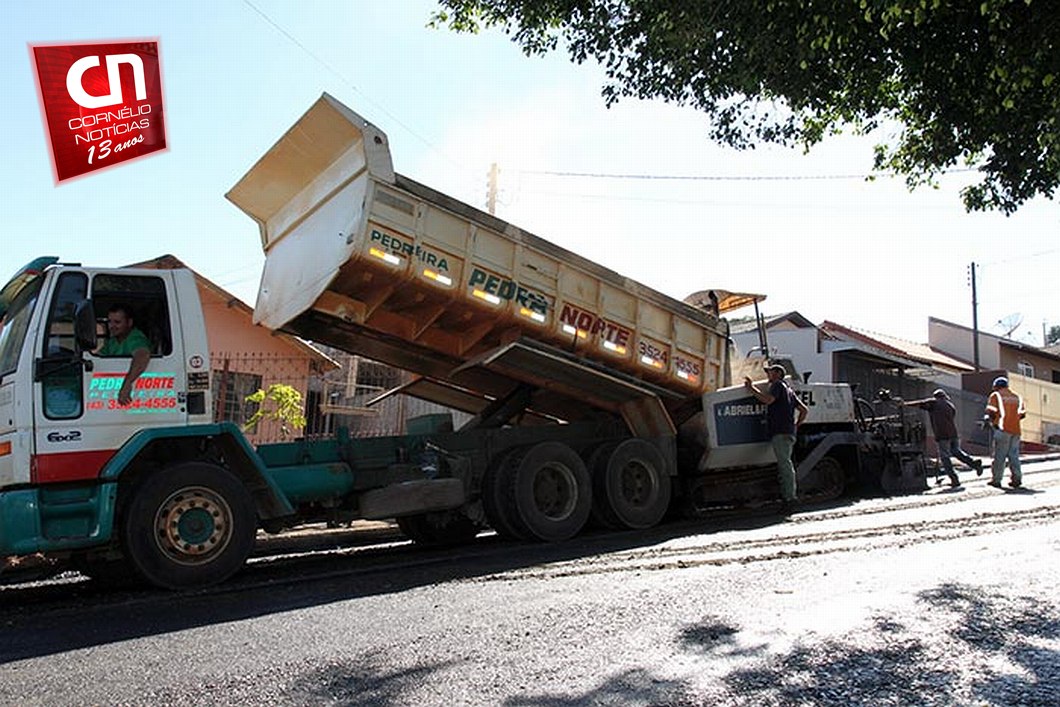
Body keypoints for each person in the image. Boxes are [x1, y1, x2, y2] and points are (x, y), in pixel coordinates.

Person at [744, 363, 809, 509]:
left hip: (780, 432)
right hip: (788, 432)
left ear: (778, 374)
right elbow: (804, 410)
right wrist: (796, 425)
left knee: (785, 464)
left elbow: (768, 400)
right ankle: (790, 496)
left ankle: (790, 498)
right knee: (785, 463)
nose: (768, 375)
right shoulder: (789, 390)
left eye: (770, 372)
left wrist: (751, 388)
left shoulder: (778, 385)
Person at [902, 389, 983, 487]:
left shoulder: (934, 403)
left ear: (936, 397)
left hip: (942, 435)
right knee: (956, 452)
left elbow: (920, 404)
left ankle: (954, 479)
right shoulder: (950, 406)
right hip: (953, 434)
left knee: (945, 457)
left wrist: (905, 404)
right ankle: (974, 463)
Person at [96, 304, 151, 406]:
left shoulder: (135, 338)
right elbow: (99, 358)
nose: (111, 326)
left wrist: (127, 383)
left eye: (117, 322)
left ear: (129, 323)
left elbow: (142, 355)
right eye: (109, 322)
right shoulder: (112, 341)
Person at [984, 376, 1025, 489]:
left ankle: (996, 480)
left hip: (1002, 430)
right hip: (1016, 430)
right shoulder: (1017, 397)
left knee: (999, 456)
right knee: (1014, 456)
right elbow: (1022, 415)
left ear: (996, 386)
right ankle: (1017, 479)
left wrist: (991, 421)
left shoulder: (996, 395)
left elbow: (991, 412)